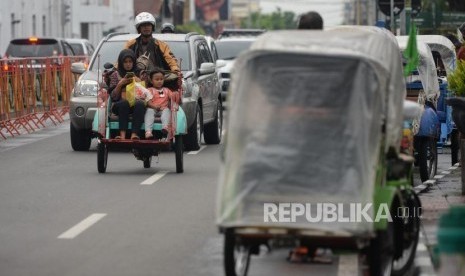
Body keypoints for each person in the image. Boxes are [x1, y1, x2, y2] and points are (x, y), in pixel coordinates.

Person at [109, 49, 146, 140]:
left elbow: (146, 94)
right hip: (119, 105)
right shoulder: (115, 74)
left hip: (135, 104)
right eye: (125, 62)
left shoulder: (140, 73)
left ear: (134, 62)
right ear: (121, 63)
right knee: (124, 103)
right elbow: (113, 97)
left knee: (140, 104)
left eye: (130, 61)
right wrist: (120, 84)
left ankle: (134, 134)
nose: (128, 64)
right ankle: (122, 135)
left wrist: (139, 82)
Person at [144, 68, 178, 140]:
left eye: (161, 79)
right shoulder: (149, 90)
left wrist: (175, 94)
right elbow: (148, 102)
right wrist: (154, 106)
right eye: (157, 79)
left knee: (167, 111)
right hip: (153, 108)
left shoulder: (166, 90)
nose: (159, 81)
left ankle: (165, 127)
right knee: (149, 112)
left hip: (163, 109)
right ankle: (148, 131)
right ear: (151, 80)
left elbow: (172, 97)